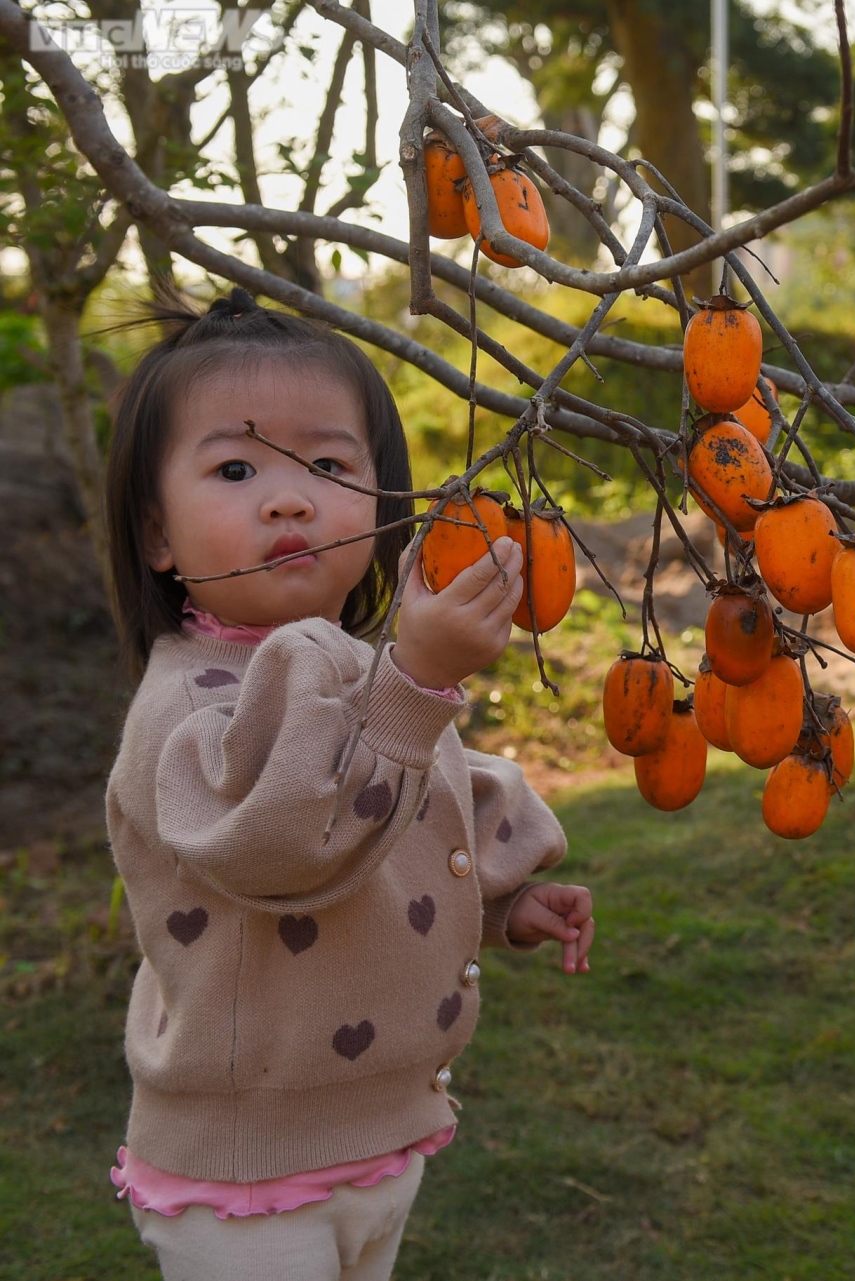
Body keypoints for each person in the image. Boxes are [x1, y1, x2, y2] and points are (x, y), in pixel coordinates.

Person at [99, 287, 595, 1280]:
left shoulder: (351, 664)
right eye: (237, 468)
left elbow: (396, 820)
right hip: (246, 1178)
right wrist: (415, 682)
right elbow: (287, 852)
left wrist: (502, 903)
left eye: (327, 466)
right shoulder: (186, 708)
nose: (288, 498)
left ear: (381, 505)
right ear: (158, 536)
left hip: (375, 1137)